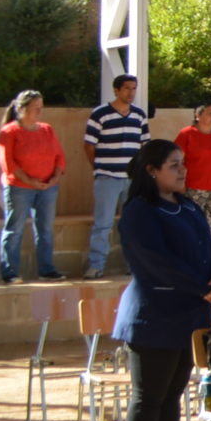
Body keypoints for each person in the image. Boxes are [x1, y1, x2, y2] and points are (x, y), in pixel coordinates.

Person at [112, 139, 211, 421]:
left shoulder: (189, 207)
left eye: (183, 164)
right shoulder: (139, 211)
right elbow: (154, 261)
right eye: (174, 165)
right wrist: (199, 286)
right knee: (149, 397)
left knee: (172, 394)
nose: (183, 170)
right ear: (152, 170)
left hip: (190, 315)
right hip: (153, 317)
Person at [81, 73, 149, 279]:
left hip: (132, 180)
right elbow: (89, 145)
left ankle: (133, 264)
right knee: (103, 223)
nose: (131, 93)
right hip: (107, 178)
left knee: (132, 223)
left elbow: (145, 145)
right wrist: (99, 168)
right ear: (116, 90)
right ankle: (96, 265)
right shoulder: (100, 114)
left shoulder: (139, 115)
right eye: (127, 88)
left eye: (134, 88)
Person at [0, 90, 66, 282]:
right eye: (35, 108)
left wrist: (54, 177)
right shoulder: (9, 132)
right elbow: (8, 163)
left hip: (47, 187)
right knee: (15, 228)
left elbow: (59, 156)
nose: (39, 111)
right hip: (19, 187)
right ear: (21, 109)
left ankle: (46, 269)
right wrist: (29, 181)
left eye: (41, 107)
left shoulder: (47, 129)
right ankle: (10, 272)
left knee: (45, 229)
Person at [174, 102, 211, 243]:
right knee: (193, 227)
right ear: (198, 115)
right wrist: (180, 186)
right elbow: (176, 162)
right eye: (209, 113)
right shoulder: (186, 134)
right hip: (194, 190)